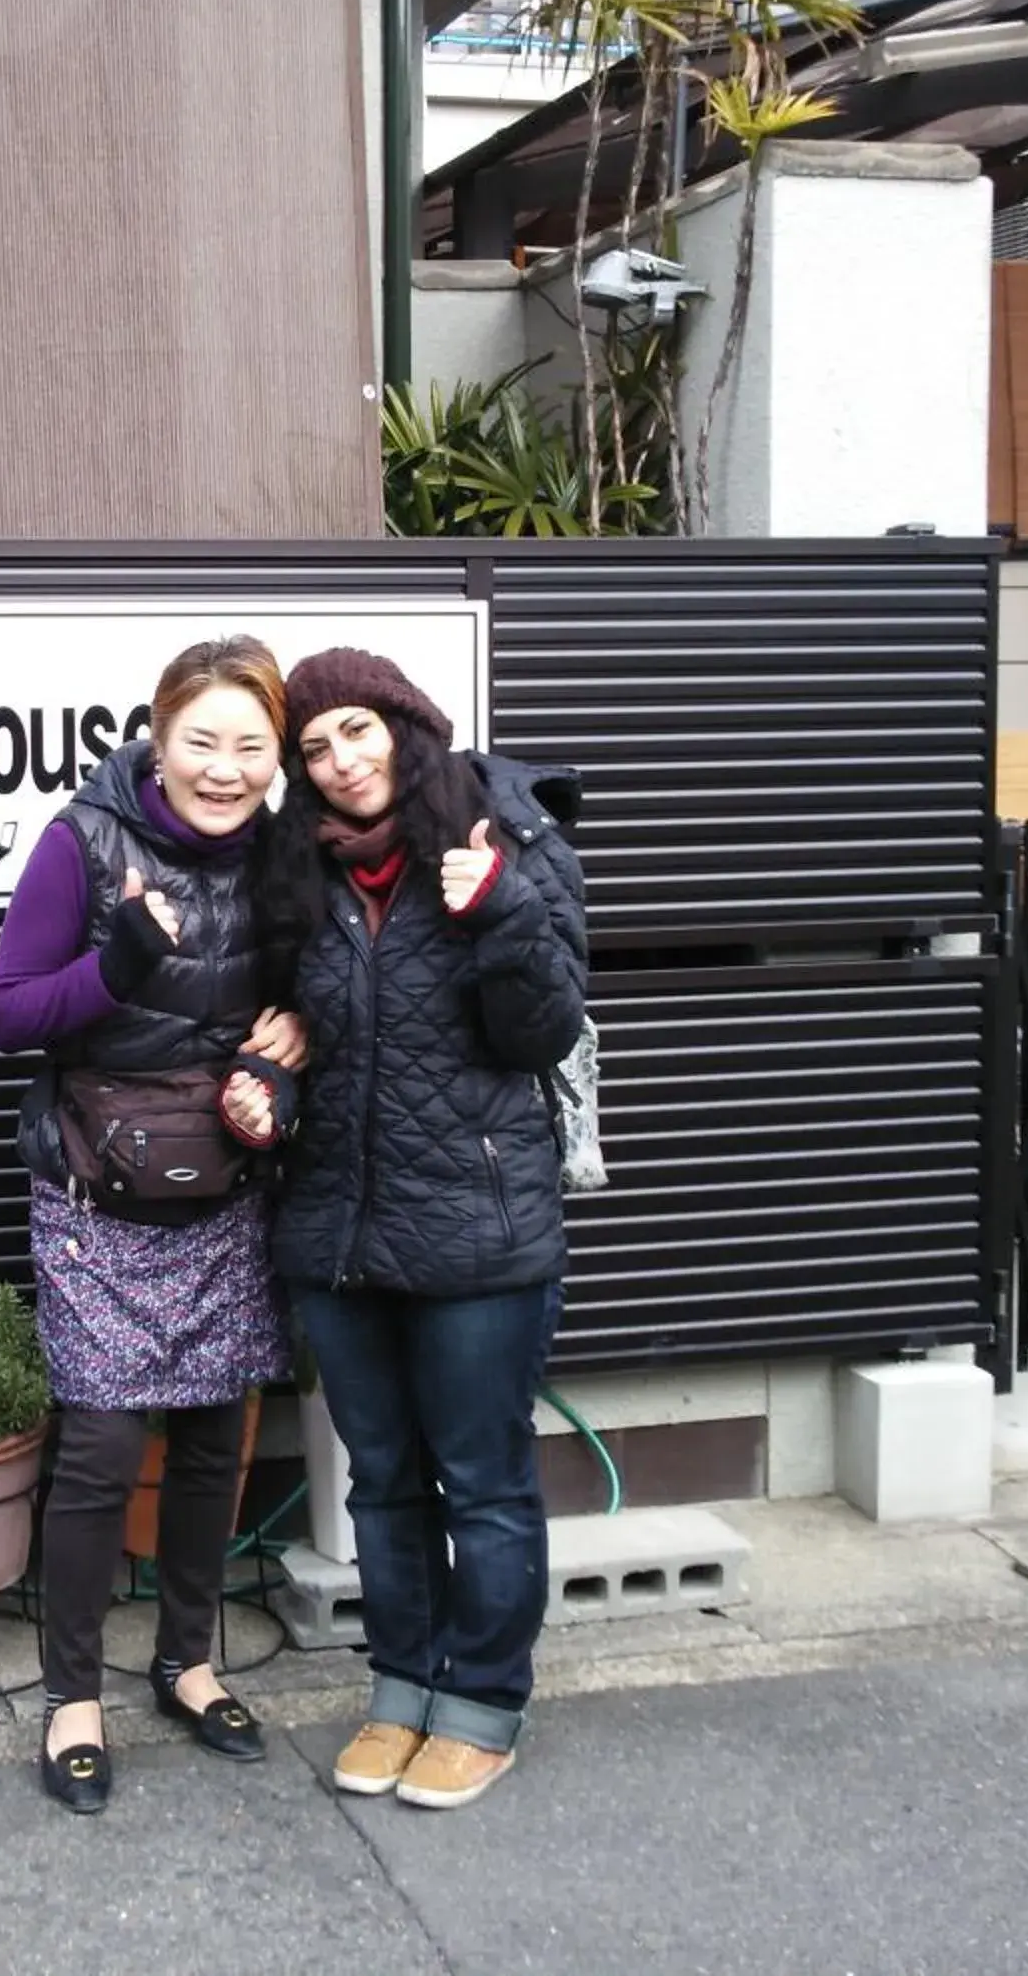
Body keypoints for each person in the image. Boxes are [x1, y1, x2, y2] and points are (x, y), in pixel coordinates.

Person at [0, 635, 308, 1816]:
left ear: (278, 757)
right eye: (200, 742)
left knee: (216, 1443)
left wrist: (301, 1038)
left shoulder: (285, 850)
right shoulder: (83, 842)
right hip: (95, 1192)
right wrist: (116, 964)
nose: (224, 770)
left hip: (225, 1182)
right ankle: (74, 1694)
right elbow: (6, 1015)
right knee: (104, 1451)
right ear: (157, 738)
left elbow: (321, 986)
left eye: (250, 747)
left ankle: (188, 1660)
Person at [257, 646, 588, 1813]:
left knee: (482, 1481)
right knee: (383, 1482)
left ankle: (484, 1704)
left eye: (356, 730)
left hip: (478, 1229)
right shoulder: (301, 869)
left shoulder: (504, 833)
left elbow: (544, 1030)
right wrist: (271, 1081)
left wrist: (498, 911)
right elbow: (302, 1030)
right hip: (341, 1232)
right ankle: (402, 1687)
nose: (341, 761)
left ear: (402, 722)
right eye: (315, 747)